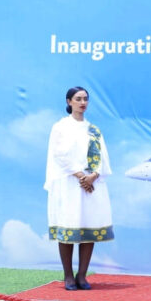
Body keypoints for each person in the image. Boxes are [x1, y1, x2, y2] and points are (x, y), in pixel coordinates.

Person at [44, 87, 114, 290]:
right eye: (78, 99)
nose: (82, 102)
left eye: (85, 99)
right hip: (69, 183)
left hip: (91, 185)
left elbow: (102, 157)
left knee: (88, 227)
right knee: (68, 226)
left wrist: (93, 175)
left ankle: (82, 275)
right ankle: (68, 275)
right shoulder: (61, 127)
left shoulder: (93, 129)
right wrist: (81, 176)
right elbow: (59, 155)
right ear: (69, 101)